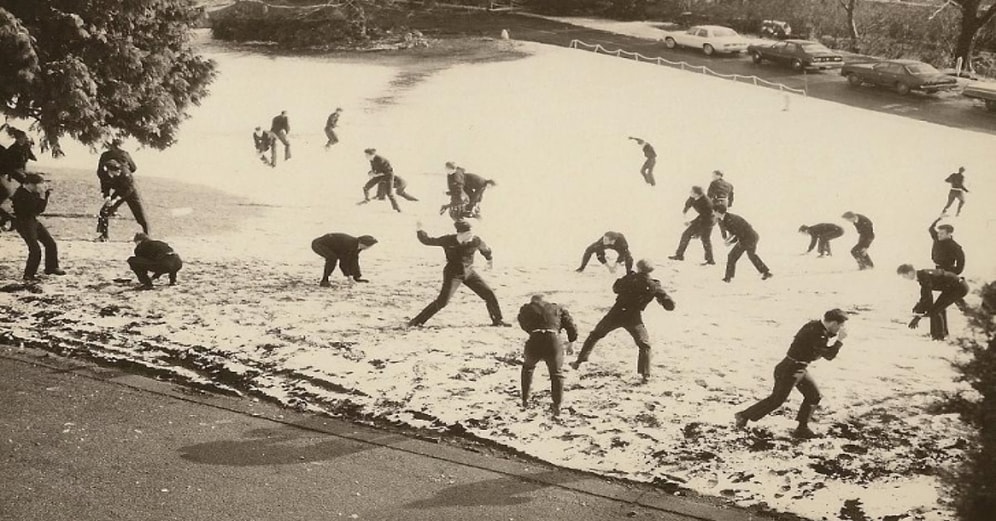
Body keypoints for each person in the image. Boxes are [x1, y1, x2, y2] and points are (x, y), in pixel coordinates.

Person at [734, 309, 848, 439]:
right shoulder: (818, 334)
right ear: (833, 323)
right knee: (776, 401)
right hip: (790, 370)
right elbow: (829, 355)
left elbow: (823, 339)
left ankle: (802, 428)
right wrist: (840, 341)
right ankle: (743, 416)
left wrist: (835, 337)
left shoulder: (814, 325)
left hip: (798, 368)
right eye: (840, 325)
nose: (840, 329)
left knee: (814, 396)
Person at [570, 259, 675, 384]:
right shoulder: (654, 285)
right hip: (633, 317)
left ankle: (579, 361)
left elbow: (616, 288)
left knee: (595, 335)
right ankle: (645, 374)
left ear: (638, 268)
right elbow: (670, 305)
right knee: (644, 344)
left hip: (616, 313)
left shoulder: (630, 278)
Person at [408, 220, 509, 328]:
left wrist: (489, 259)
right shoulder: (448, 240)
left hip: (469, 272)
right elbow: (427, 241)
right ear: (460, 234)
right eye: (467, 234)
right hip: (453, 273)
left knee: (489, 294)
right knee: (442, 301)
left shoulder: (476, 240)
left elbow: (485, 249)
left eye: (470, 233)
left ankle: (498, 321)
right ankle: (416, 322)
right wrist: (419, 230)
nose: (470, 236)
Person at [517, 294, 578, 416]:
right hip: (553, 339)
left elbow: (522, 322)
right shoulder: (558, 308)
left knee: (528, 368)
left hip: (535, 338)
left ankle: (525, 400)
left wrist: (533, 330)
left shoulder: (527, 308)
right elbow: (571, 326)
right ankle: (557, 406)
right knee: (556, 374)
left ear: (533, 301)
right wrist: (571, 342)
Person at [11, 173, 64, 281]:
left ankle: (51, 267)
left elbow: (40, 209)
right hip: (23, 222)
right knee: (35, 249)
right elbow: (31, 210)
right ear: (29, 184)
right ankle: (29, 274)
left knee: (50, 243)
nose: (38, 188)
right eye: (36, 185)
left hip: (32, 220)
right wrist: (41, 196)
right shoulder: (20, 194)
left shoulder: (32, 191)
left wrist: (44, 196)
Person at [898, 264, 969, 341]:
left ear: (910, 273)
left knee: (935, 310)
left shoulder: (924, 277)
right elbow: (926, 296)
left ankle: (940, 337)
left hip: (958, 288)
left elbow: (927, 297)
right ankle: (941, 334)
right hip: (953, 288)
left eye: (904, 276)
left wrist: (918, 316)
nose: (904, 278)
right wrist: (919, 310)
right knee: (937, 309)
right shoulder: (922, 275)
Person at [927, 218, 965, 339]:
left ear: (949, 234)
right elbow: (930, 229)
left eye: (942, 233)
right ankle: (940, 332)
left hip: (947, 276)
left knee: (939, 305)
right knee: (939, 305)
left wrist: (950, 273)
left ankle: (939, 334)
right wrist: (939, 218)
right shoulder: (937, 239)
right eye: (938, 233)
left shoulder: (955, 247)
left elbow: (960, 265)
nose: (939, 235)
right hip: (938, 272)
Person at [714, 204, 772, 282]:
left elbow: (739, 233)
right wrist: (728, 238)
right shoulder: (725, 218)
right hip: (747, 237)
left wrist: (730, 242)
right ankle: (766, 272)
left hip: (749, 238)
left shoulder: (730, 219)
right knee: (748, 255)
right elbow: (734, 232)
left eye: (714, 211)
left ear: (718, 212)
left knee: (734, 256)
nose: (713, 213)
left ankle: (728, 278)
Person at [96, 159, 150, 241]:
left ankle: (147, 236)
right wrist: (107, 197)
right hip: (119, 191)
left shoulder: (126, 174)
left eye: (119, 171)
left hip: (131, 192)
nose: (118, 173)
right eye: (115, 171)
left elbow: (128, 189)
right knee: (104, 211)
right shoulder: (104, 174)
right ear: (109, 170)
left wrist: (115, 200)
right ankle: (104, 236)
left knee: (141, 215)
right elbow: (104, 186)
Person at [310, 233, 378, 287]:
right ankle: (324, 280)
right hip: (318, 244)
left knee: (352, 258)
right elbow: (343, 263)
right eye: (369, 246)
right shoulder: (349, 244)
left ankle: (356, 277)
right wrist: (348, 277)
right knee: (332, 258)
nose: (369, 248)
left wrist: (356, 276)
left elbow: (354, 260)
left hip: (332, 247)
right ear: (363, 244)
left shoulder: (357, 246)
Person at [669, 186, 715, 265]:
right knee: (686, 235)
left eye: (691, 192)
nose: (690, 193)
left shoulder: (706, 202)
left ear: (696, 194)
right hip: (702, 218)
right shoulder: (693, 197)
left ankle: (710, 260)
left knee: (705, 239)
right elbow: (689, 202)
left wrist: (691, 223)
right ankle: (679, 255)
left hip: (708, 221)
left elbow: (704, 216)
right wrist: (685, 211)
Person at [359, 148, 405, 212]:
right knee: (366, 187)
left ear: (371, 155)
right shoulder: (371, 160)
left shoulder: (380, 159)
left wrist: (375, 175)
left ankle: (397, 208)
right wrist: (371, 172)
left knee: (389, 193)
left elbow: (387, 171)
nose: (365, 157)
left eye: (367, 155)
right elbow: (374, 169)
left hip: (388, 176)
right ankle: (366, 199)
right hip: (379, 175)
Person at [707, 170, 734, 238]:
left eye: (714, 175)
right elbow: (731, 196)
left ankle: (700, 234)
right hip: (725, 202)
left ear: (719, 175)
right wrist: (729, 205)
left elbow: (709, 195)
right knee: (721, 218)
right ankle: (727, 234)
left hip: (716, 201)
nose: (713, 177)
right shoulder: (729, 185)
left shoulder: (714, 183)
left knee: (709, 217)